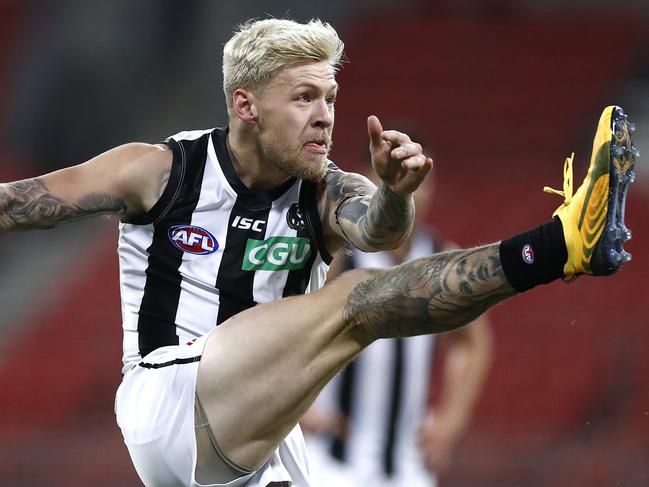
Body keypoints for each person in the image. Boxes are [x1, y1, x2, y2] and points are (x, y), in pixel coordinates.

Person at [0, 16, 637, 487]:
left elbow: (383, 234)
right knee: (353, 304)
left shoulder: (329, 191)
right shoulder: (160, 170)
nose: (326, 116)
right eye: (304, 97)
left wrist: (394, 194)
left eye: (330, 97)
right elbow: (19, 203)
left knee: (360, 296)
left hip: (263, 438)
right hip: (171, 399)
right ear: (245, 105)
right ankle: (558, 245)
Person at [301, 174, 493, 487]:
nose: (409, 193)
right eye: (391, 178)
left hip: (406, 465)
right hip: (331, 460)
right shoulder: (340, 254)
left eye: (420, 182)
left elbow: (472, 341)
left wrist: (452, 419)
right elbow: (295, 323)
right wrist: (299, 407)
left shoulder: (441, 257)